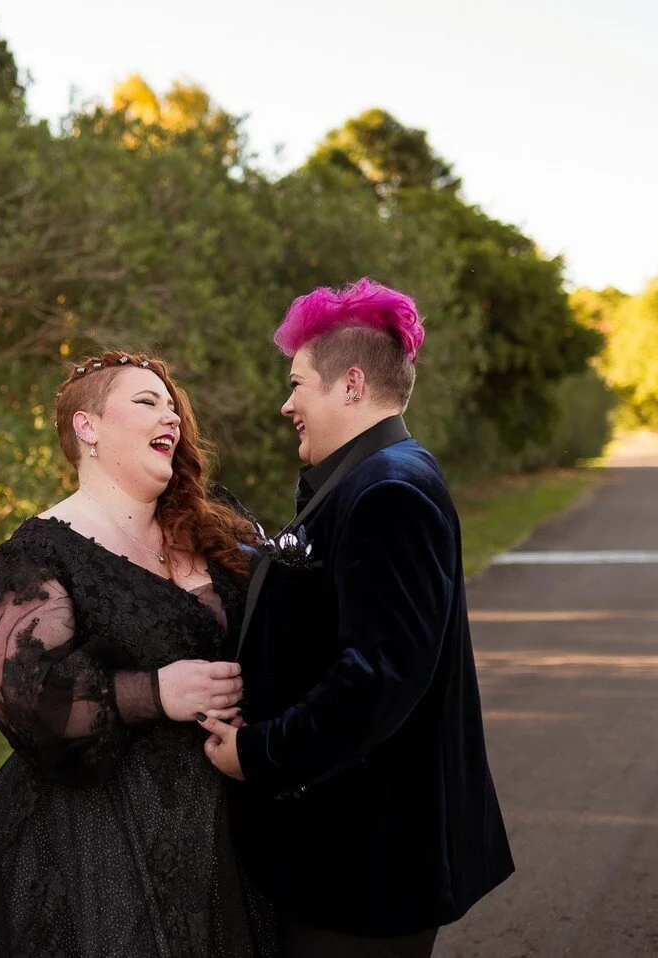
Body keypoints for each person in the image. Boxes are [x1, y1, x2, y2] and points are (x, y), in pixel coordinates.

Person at [0, 351, 275, 957]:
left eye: (172, 405)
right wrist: (155, 692)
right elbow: (19, 694)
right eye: (146, 401)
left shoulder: (211, 526)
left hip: (229, 815)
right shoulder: (40, 552)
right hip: (99, 839)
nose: (169, 413)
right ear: (87, 428)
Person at [198, 279, 514, 958]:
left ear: (349, 385)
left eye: (297, 385)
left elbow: (379, 678)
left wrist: (258, 754)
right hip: (344, 851)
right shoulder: (366, 476)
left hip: (369, 861)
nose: (286, 405)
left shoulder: (390, 490)